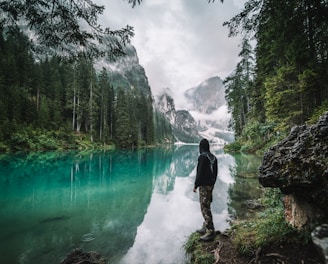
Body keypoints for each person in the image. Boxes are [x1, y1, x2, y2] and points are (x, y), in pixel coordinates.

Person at [193, 138, 218, 241]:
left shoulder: (202, 157)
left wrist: (196, 185)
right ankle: (205, 226)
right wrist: (212, 183)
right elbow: (215, 173)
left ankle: (210, 231)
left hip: (203, 185)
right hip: (210, 185)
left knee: (204, 207)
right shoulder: (213, 157)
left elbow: (200, 172)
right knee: (207, 205)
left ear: (201, 147)